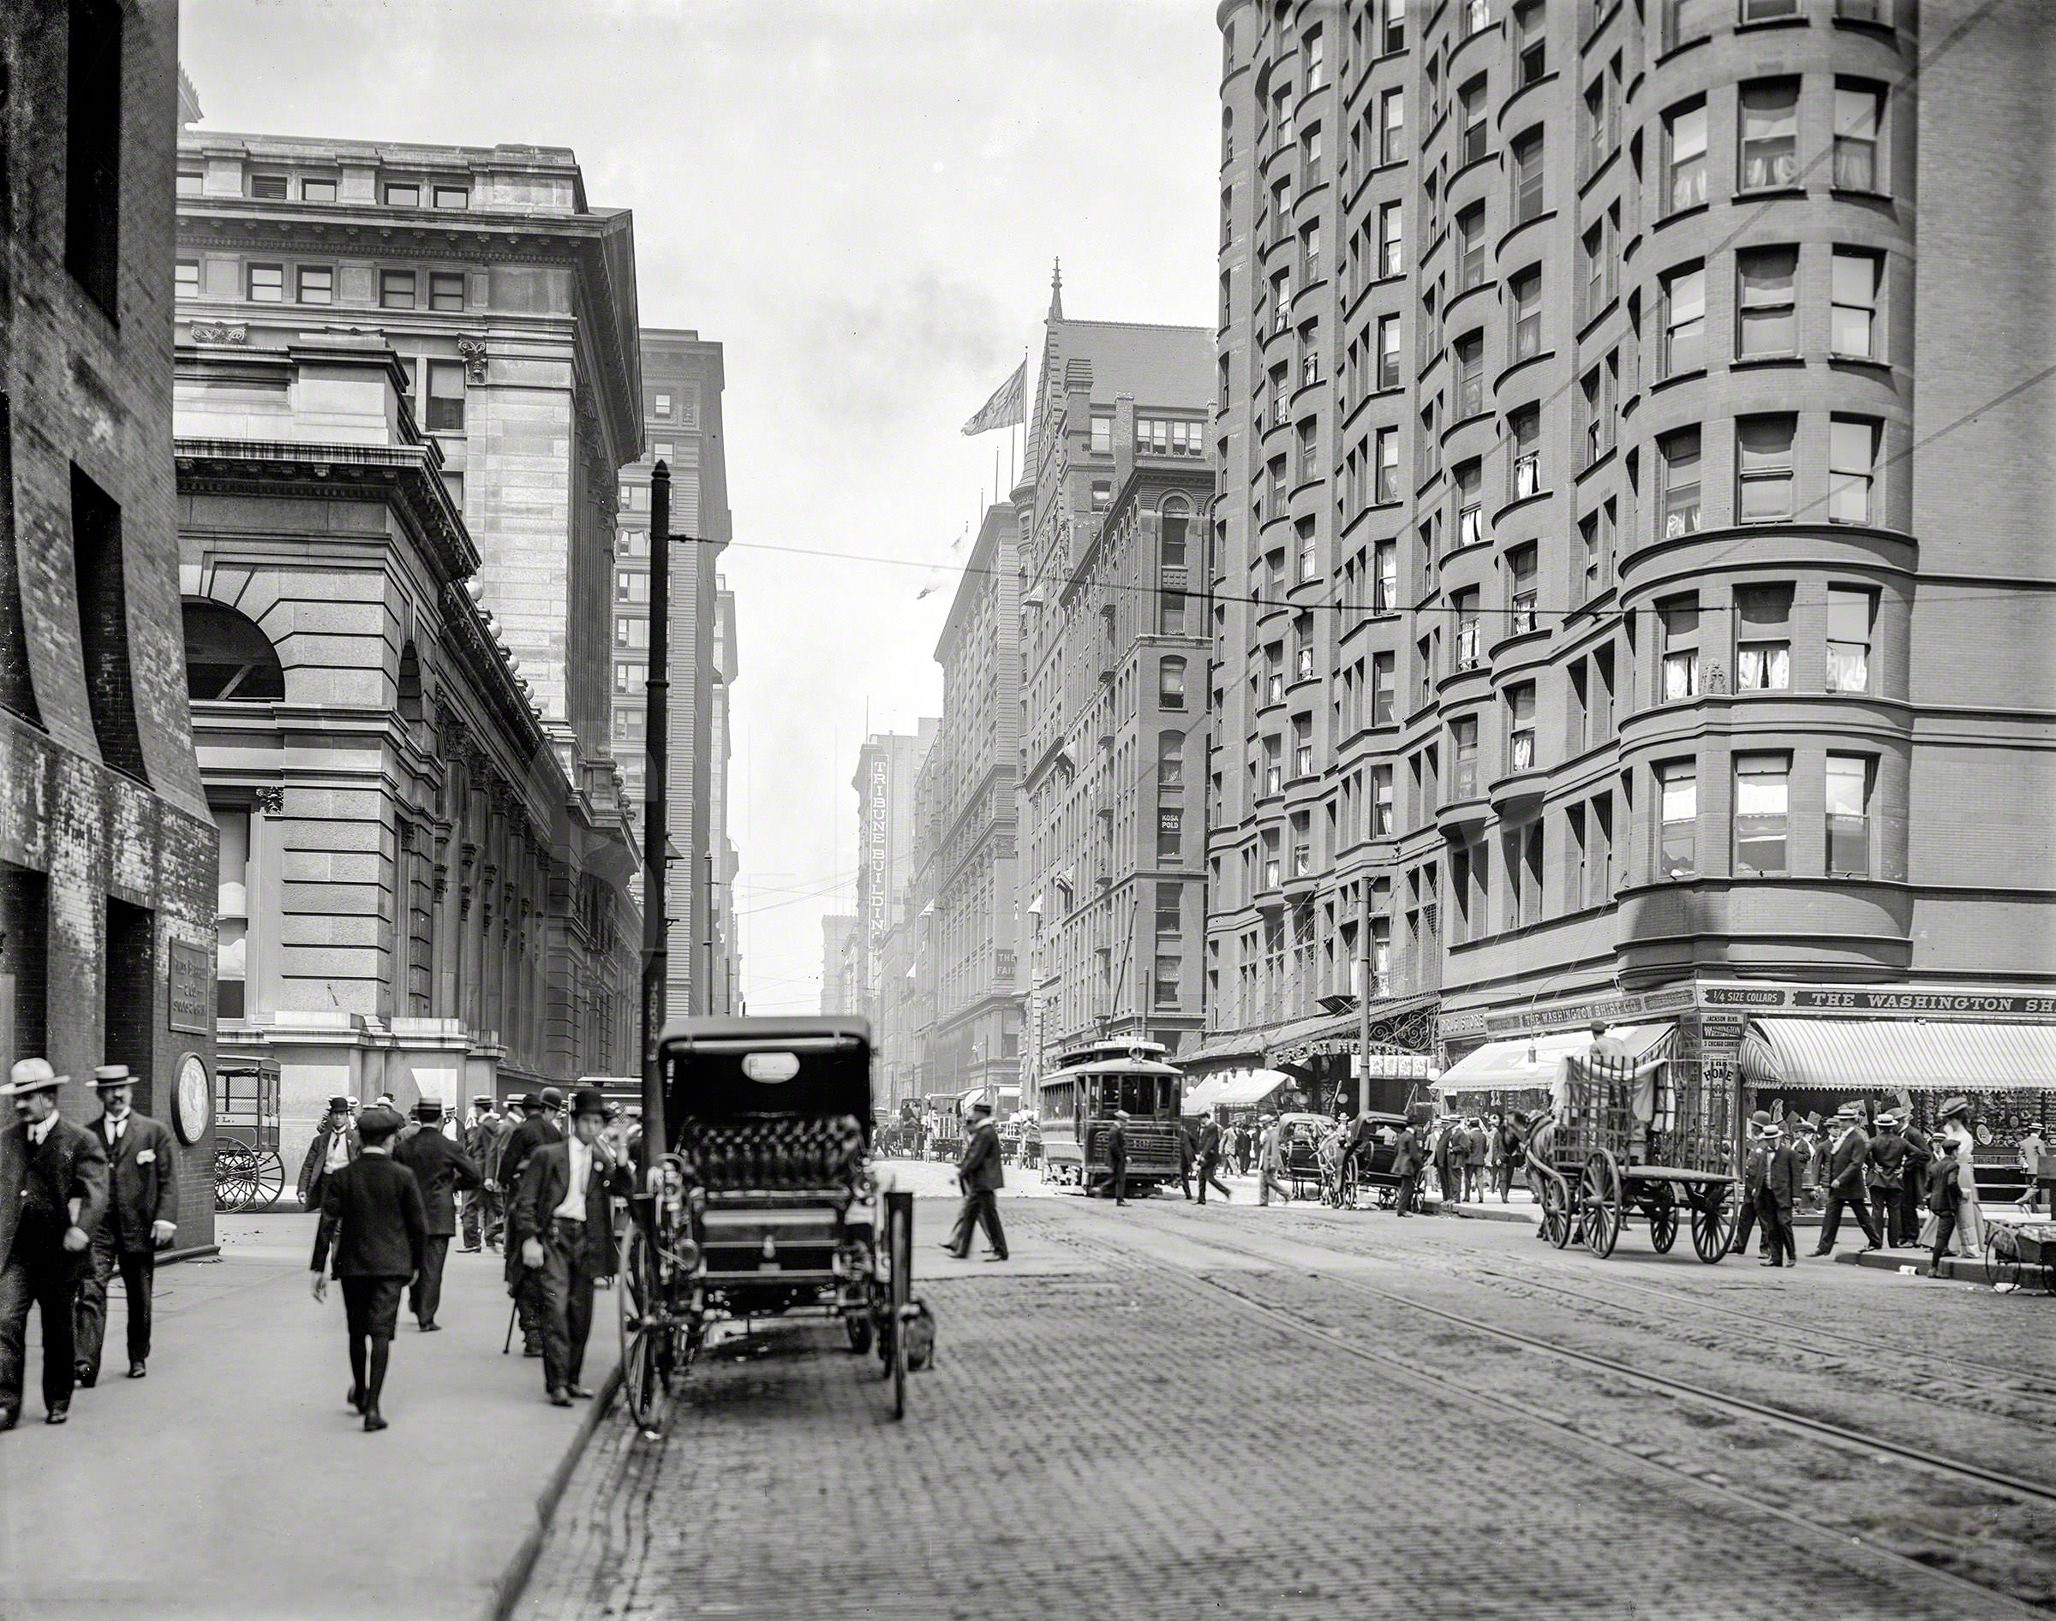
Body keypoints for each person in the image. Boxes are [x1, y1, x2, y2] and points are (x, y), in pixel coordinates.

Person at [0, 1059, 110, 1427]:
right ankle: (5, 1403)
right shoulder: (7, 1140)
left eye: (27, 1097)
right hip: (16, 1252)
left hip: (59, 1254)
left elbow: (95, 1192)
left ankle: (59, 1398)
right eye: (17, 1097)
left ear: (49, 1097)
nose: (19, 1105)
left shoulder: (80, 1141)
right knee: (4, 1321)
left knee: (57, 1328)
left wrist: (82, 1229)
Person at [309, 1104, 422, 1432]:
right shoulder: (403, 1176)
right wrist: (415, 1266)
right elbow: (418, 1227)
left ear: (360, 1139)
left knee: (356, 1331)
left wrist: (318, 1267)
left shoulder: (345, 1176)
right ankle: (373, 1406)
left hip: (352, 1265)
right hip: (391, 1267)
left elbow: (327, 1222)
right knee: (382, 1333)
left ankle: (359, 1391)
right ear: (389, 1140)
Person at [510, 1088, 621, 1406]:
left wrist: (622, 1152)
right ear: (575, 1123)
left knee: (580, 1313)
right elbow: (526, 1201)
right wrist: (530, 1238)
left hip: (586, 1241)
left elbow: (625, 1188)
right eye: (586, 1121)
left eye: (597, 1122)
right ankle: (556, 1383)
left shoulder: (601, 1160)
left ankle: (572, 1379)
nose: (591, 1128)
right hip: (555, 1237)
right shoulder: (550, 1156)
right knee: (556, 1310)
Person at [74, 1064, 178, 1386]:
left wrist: (164, 1219)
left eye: (122, 1089)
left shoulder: (153, 1132)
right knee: (90, 1291)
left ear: (130, 1092)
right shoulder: (88, 1134)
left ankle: (137, 1356)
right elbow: (79, 1183)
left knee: (140, 1295)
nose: (117, 1095)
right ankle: (85, 1364)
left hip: (139, 1227)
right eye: (110, 1090)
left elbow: (168, 1180)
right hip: (99, 1229)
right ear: (100, 1094)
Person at [391, 1100, 482, 1332]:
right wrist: (451, 1186)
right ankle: (426, 1315)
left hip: (409, 1213)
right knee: (433, 1266)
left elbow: (395, 1179)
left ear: (419, 1118)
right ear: (441, 1119)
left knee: (415, 1260)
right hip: (439, 1213)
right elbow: (474, 1175)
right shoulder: (450, 1147)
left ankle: (416, 1299)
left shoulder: (404, 1147)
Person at [495, 1092, 563, 1357]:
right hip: (551, 1206)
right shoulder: (555, 1132)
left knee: (519, 1267)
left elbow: (507, 1164)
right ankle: (545, 1332)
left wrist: (503, 1180)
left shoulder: (523, 1130)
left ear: (525, 1111)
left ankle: (532, 1334)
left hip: (523, 1203)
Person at [942, 1099, 1008, 1261]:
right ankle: (962, 1250)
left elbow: (975, 1157)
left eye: (974, 1112)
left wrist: (961, 1172)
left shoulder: (985, 1132)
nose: (972, 1115)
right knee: (970, 1216)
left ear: (980, 1114)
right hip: (981, 1182)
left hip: (983, 1181)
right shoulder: (986, 1131)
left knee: (989, 1217)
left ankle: (1000, 1251)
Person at [1813, 1103, 1882, 1256]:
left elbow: (1856, 1163)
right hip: (1839, 1186)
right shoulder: (1844, 1137)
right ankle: (1823, 1246)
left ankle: (1875, 1241)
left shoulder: (1856, 1139)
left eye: (1844, 1120)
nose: (1841, 1123)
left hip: (1851, 1186)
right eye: (1840, 1120)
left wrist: (1840, 1179)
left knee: (1862, 1216)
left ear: (1852, 1121)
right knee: (1831, 1216)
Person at [1933, 1095, 1986, 1259]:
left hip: (1960, 1171)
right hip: (1951, 1169)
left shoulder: (1966, 1137)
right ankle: (1948, 1243)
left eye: (1951, 1119)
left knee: (1962, 1208)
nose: (1949, 1122)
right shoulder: (1951, 1132)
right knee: (1950, 1206)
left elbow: (1956, 1155)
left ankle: (1961, 1244)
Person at [297, 1096, 359, 1211]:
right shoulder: (320, 1141)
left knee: (347, 1222)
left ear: (346, 1116)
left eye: (341, 1113)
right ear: (330, 1116)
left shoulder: (356, 1139)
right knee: (327, 1223)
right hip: (327, 1184)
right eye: (335, 1114)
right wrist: (302, 1189)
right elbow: (308, 1166)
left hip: (348, 1185)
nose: (338, 1117)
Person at [1727, 1110, 1772, 1260]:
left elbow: (1764, 1168)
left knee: (1764, 1219)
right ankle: (1739, 1244)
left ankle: (1766, 1249)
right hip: (1750, 1187)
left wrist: (1757, 1188)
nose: (1752, 1128)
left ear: (1758, 1128)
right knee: (1745, 1217)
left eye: (1754, 1126)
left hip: (1759, 1188)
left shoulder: (1765, 1145)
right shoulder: (1757, 1143)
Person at [1757, 1120, 1800, 1268]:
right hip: (1768, 1194)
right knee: (1772, 1227)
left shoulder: (1789, 1153)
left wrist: (1796, 1195)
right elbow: (1760, 1173)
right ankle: (1776, 1258)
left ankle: (1791, 1255)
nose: (1770, 1142)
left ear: (1779, 1138)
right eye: (1768, 1140)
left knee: (1784, 1224)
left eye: (1772, 1139)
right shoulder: (1763, 1154)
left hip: (1784, 1195)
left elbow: (1796, 1175)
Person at [459, 1097, 498, 1252]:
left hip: (480, 1175)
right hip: (484, 1174)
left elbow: (489, 1152)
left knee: (470, 1207)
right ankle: (494, 1236)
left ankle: (473, 1242)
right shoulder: (489, 1125)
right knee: (496, 1207)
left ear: (478, 1109)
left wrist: (488, 1175)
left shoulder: (486, 1126)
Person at [1925, 1137, 1967, 1278]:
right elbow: (1952, 1182)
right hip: (1947, 1204)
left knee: (1942, 1235)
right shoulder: (1953, 1165)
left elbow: (1928, 1186)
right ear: (1954, 1151)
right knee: (1941, 1237)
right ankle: (1934, 1268)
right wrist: (1960, 1195)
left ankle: (1936, 1265)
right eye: (1957, 1150)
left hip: (1935, 1203)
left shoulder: (1935, 1166)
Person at [1867, 1109, 1910, 1246]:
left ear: (1879, 1126)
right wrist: (1905, 1167)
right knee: (1894, 1212)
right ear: (1892, 1125)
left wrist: (1873, 1165)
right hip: (1895, 1180)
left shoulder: (1873, 1141)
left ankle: (1876, 1241)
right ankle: (1894, 1242)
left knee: (1877, 1211)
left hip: (1877, 1179)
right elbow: (1920, 1154)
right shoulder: (1901, 1142)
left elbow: (1860, 1154)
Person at [1897, 1114, 1932, 1251]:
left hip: (1912, 1176)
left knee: (1908, 1205)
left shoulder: (1913, 1134)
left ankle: (1912, 1236)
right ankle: (1905, 1235)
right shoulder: (1901, 1133)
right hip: (1904, 1175)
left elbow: (1925, 1154)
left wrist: (1907, 1165)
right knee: (1903, 1206)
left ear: (1901, 1121)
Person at [1256, 1114, 1293, 1207]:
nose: (1262, 1125)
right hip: (1265, 1160)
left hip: (1269, 1161)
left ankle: (1286, 1194)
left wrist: (1272, 1163)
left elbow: (1274, 1149)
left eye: (1263, 1123)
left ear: (1267, 1123)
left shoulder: (1273, 1134)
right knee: (1264, 1181)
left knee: (1270, 1181)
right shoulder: (1268, 1133)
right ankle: (1263, 1201)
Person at [1195, 1114, 1231, 1204]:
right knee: (1201, 1177)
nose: (1200, 1121)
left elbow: (1210, 1142)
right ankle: (1201, 1199)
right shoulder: (1208, 1127)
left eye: (1200, 1119)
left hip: (1210, 1156)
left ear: (1205, 1117)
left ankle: (1226, 1191)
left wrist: (1203, 1154)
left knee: (1209, 1177)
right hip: (1207, 1156)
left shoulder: (1212, 1127)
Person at [1097, 1110, 1131, 1206]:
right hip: (1115, 1158)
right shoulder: (1115, 1130)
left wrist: (1125, 1156)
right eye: (1125, 1121)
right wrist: (1122, 1157)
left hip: (1116, 1158)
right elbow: (1114, 1146)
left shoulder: (1117, 1129)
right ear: (1121, 1120)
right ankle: (1118, 1198)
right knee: (1119, 1178)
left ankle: (1103, 1189)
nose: (1126, 1124)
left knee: (1117, 1178)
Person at [1389, 1118, 1420, 1216]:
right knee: (1406, 1188)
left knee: (1404, 1187)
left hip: (1400, 1163)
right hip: (1407, 1165)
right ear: (1414, 1126)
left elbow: (1396, 1150)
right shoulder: (1411, 1137)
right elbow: (1413, 1154)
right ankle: (1402, 1210)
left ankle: (1401, 1209)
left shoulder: (1402, 1136)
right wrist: (1421, 1163)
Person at [2015, 1125, 2047, 1214]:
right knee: (2035, 1187)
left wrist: (2023, 1163)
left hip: (2027, 1169)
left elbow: (2019, 1156)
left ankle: (2034, 1209)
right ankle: (2022, 1200)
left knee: (2030, 1188)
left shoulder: (2023, 1142)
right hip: (2037, 1168)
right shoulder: (2039, 1142)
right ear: (2039, 1131)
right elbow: (2043, 1156)